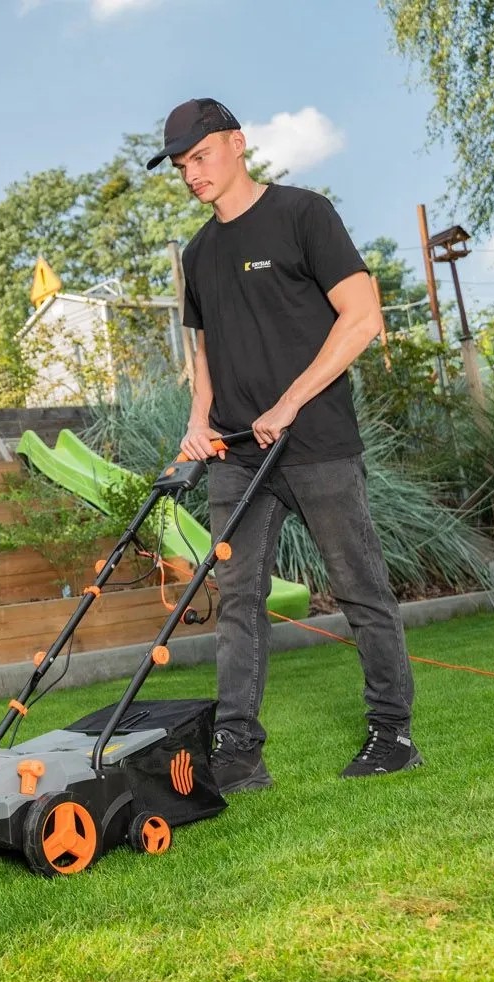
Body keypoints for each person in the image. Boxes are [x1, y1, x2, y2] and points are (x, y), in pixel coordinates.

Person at [145, 98, 422, 793]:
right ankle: (238, 750)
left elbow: (363, 316)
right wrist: (199, 421)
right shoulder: (199, 253)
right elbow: (207, 351)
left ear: (237, 143)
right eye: (180, 166)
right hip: (238, 456)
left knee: (360, 588)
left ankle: (392, 732)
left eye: (200, 156)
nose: (191, 174)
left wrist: (291, 401)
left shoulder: (303, 214)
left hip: (317, 443)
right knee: (238, 601)